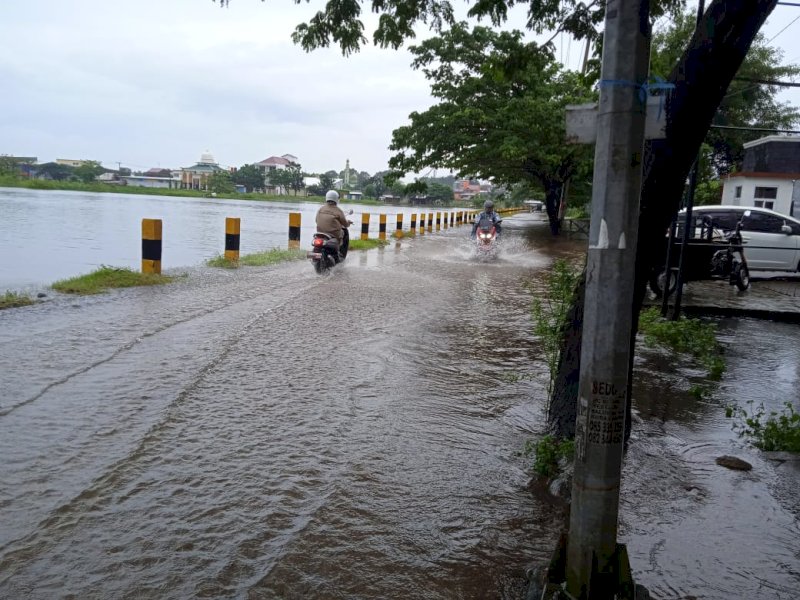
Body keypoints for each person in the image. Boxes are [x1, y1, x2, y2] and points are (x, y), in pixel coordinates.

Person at [315, 190, 352, 256]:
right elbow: (345, 224)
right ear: (336, 199)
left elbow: (316, 220)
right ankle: (340, 252)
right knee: (342, 232)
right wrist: (348, 223)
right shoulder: (338, 211)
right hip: (333, 235)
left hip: (320, 233)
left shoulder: (321, 209)